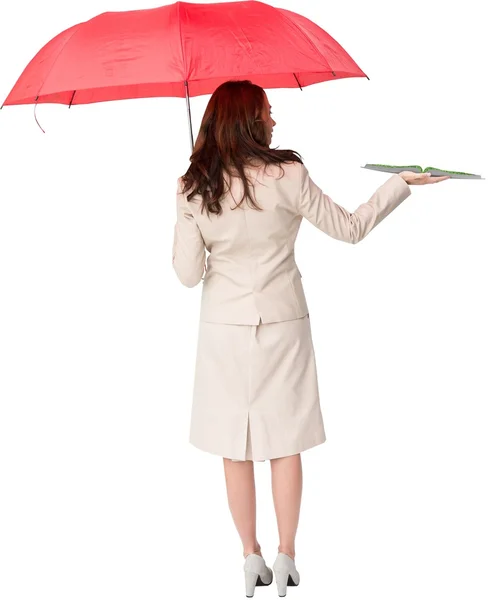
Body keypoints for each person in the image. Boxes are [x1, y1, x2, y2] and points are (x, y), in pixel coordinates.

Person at [171, 79, 449, 597]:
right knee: (285, 442)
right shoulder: (287, 174)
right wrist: (400, 183)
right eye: (267, 112)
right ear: (249, 121)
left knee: (236, 447)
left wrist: (194, 211)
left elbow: (187, 274)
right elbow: (349, 228)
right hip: (283, 324)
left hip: (224, 332)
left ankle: (250, 556)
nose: (274, 120)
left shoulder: (192, 186)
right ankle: (287, 554)